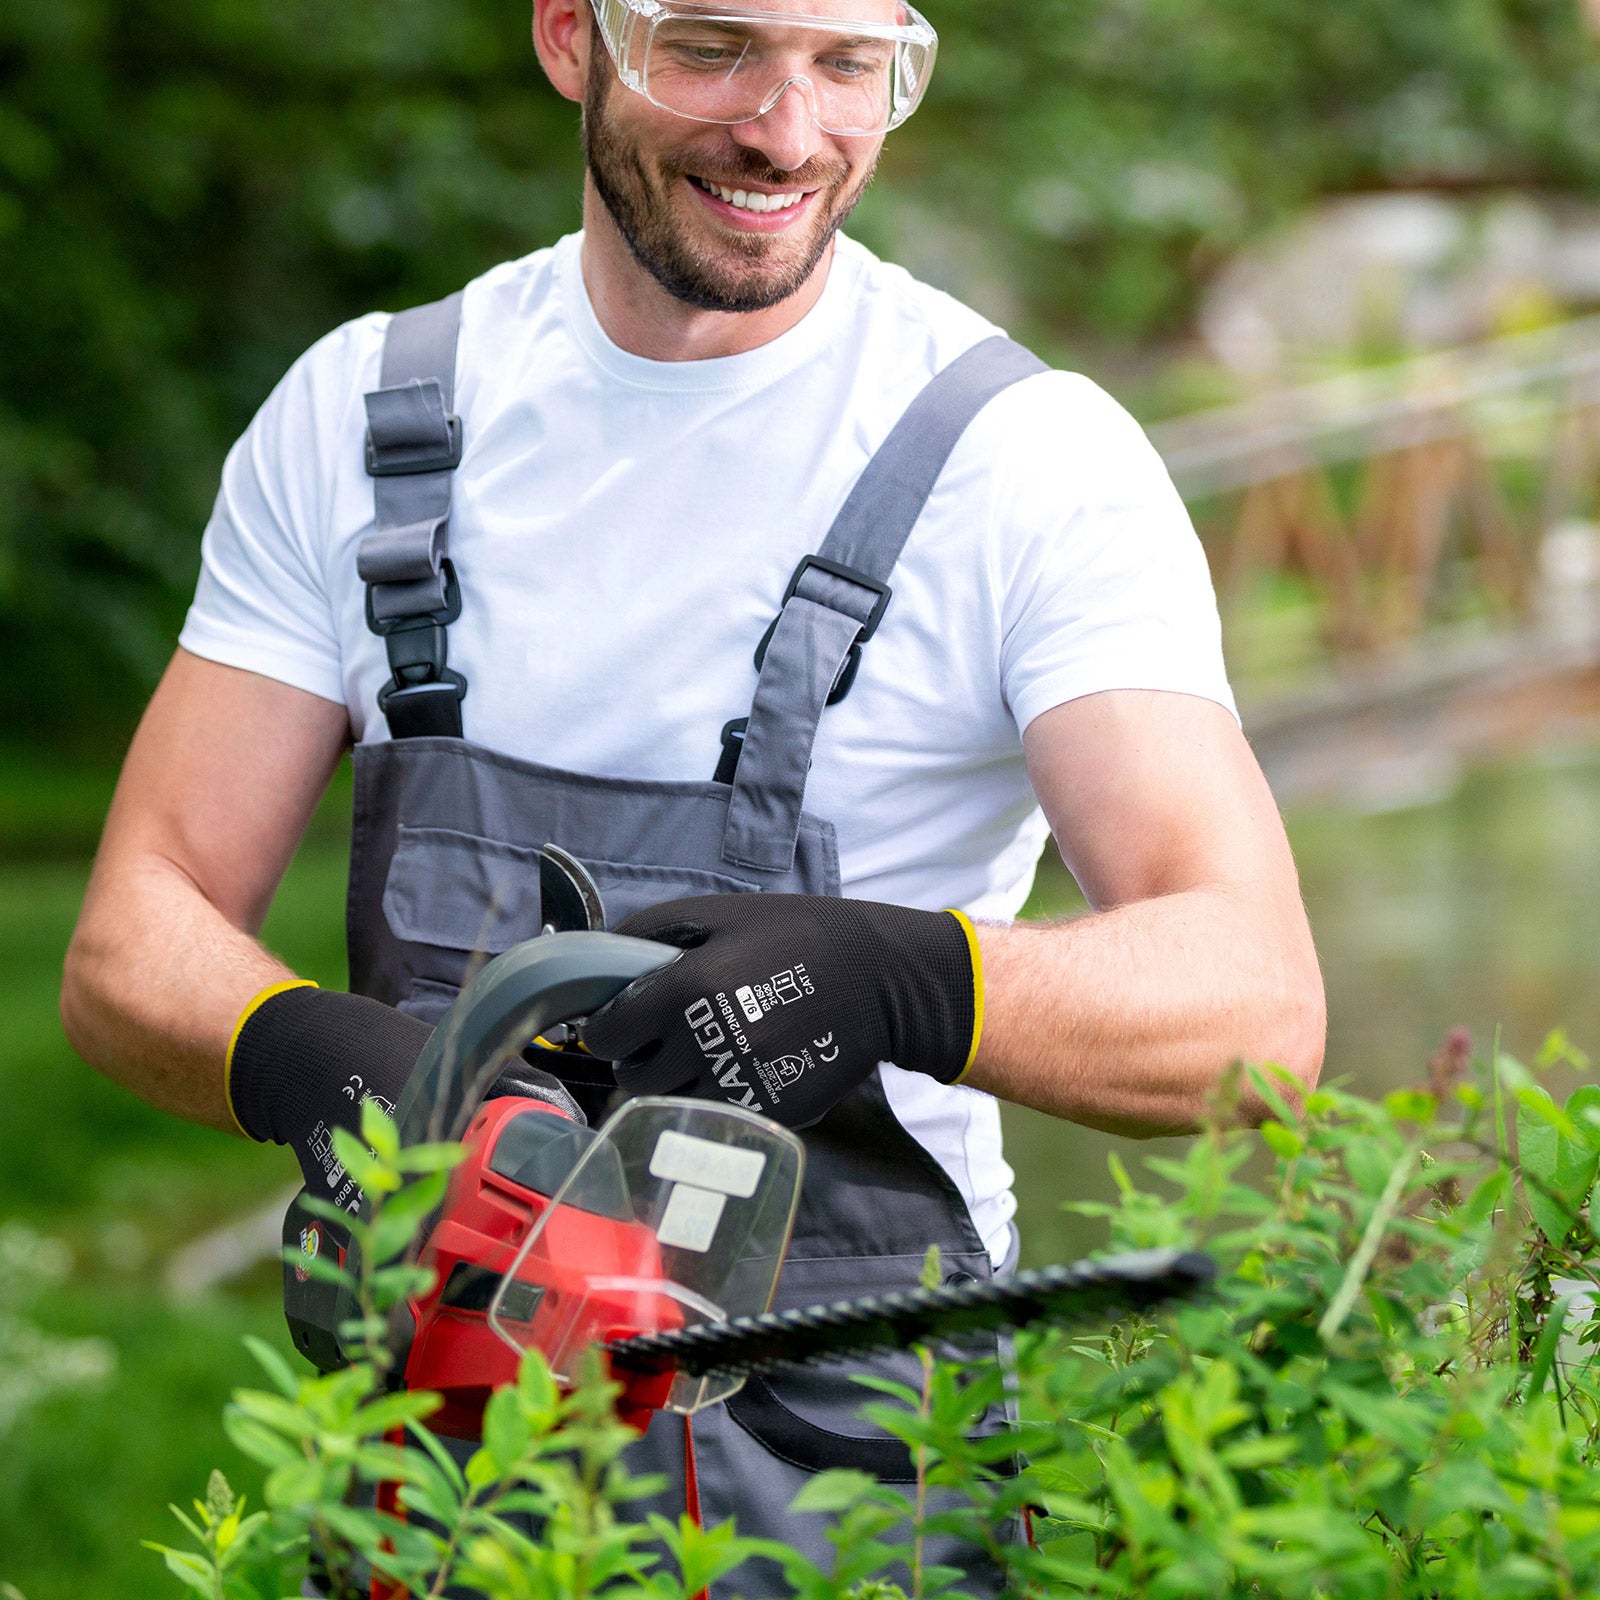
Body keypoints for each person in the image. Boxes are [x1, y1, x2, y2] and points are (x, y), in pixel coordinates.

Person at [61, 0, 1325, 1591]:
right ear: (570, 35)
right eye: (715, 46)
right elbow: (129, 937)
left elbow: (1257, 1006)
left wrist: (907, 980)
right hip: (435, 1459)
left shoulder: (1030, 464)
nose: (788, 132)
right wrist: (311, 1059)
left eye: (849, 65)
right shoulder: (363, 421)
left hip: (861, 1481)